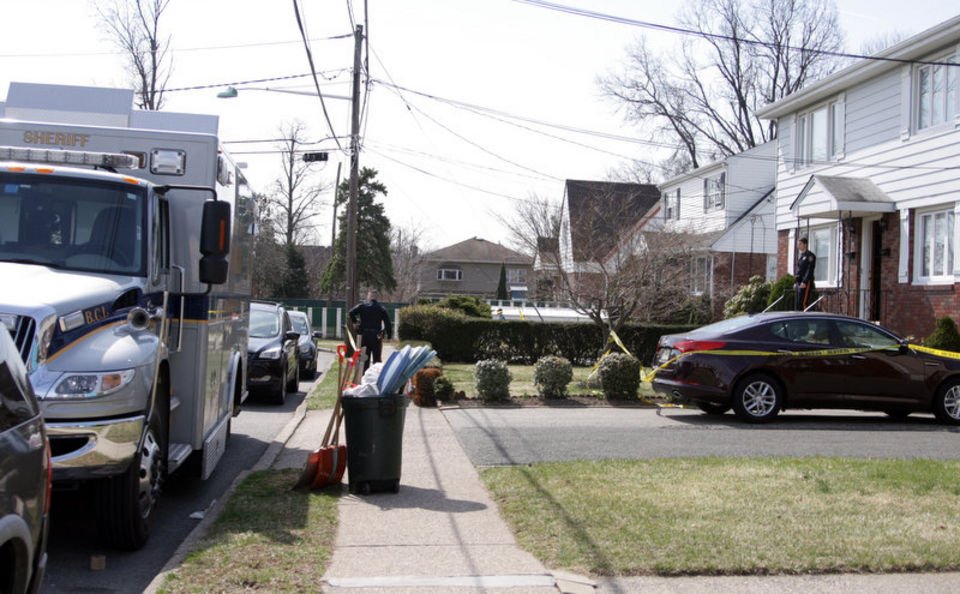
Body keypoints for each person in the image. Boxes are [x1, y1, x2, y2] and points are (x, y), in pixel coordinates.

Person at [348, 290, 392, 369]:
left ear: (369, 297)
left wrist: (355, 322)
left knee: (364, 358)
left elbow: (351, 312)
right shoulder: (381, 308)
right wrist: (389, 336)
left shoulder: (362, 306)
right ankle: (375, 377)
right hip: (376, 336)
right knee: (377, 359)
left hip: (364, 335)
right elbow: (387, 323)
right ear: (376, 297)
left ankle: (363, 376)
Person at [795, 237, 817, 311]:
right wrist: (796, 282)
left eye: (800, 244)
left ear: (805, 245)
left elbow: (809, 270)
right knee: (798, 302)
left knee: (803, 302)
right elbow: (799, 270)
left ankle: (804, 318)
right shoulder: (801, 256)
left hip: (805, 283)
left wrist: (804, 281)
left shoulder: (810, 256)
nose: (798, 246)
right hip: (799, 282)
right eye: (798, 244)